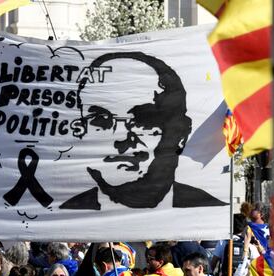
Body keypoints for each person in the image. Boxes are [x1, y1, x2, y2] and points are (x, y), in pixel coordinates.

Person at [60, 51, 228, 210]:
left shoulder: (207, 215)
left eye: (143, 121)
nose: (120, 140)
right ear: (80, 132)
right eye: (100, 120)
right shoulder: (61, 217)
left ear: (181, 134)